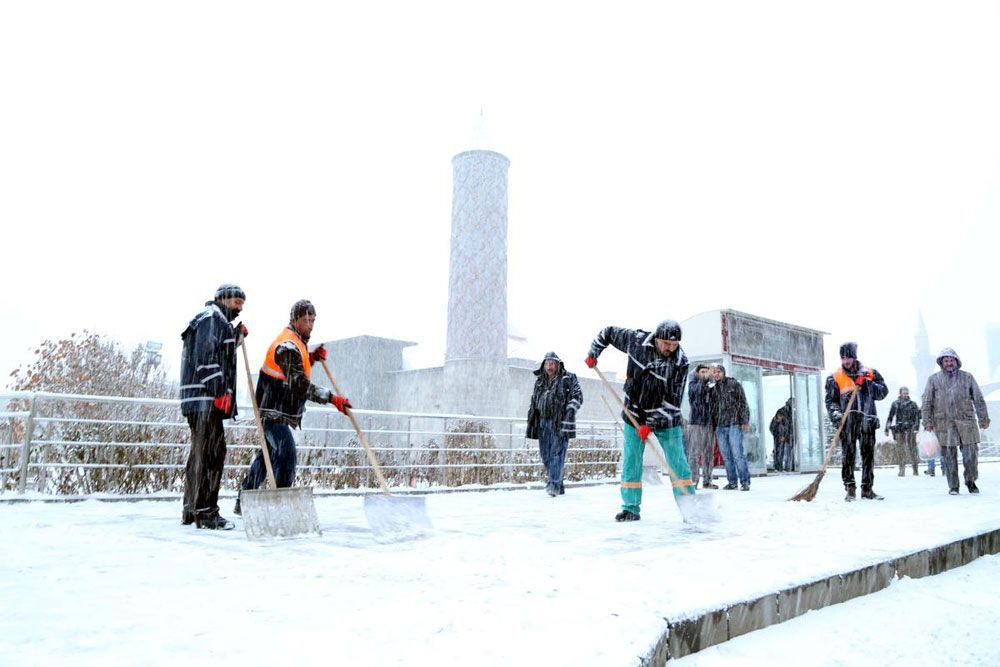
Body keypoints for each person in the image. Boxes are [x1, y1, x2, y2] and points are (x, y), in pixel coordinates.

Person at [235, 300, 351, 513]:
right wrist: (331, 398)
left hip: (276, 409)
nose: (310, 325)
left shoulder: (296, 341)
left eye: (313, 320)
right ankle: (279, 507)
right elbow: (298, 385)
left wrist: (312, 358)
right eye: (305, 320)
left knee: (267, 456)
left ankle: (243, 502)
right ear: (295, 320)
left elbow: (296, 367)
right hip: (272, 411)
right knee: (286, 454)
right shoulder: (287, 345)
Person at [585, 319, 696, 522]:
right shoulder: (635, 341)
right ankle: (630, 508)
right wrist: (594, 353)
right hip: (633, 412)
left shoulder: (680, 363)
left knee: (678, 463)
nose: (670, 348)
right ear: (656, 338)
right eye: (666, 343)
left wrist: (650, 424)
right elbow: (608, 332)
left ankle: (690, 508)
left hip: (666, 419)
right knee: (631, 461)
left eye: (674, 345)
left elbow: (672, 400)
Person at [179, 283, 248, 530]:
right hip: (204, 398)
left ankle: (191, 509)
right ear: (221, 298)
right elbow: (206, 357)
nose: (239, 308)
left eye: (242, 304)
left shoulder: (214, 321)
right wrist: (220, 390)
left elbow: (218, 350)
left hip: (196, 398)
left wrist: (236, 337)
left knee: (200, 453)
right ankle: (207, 514)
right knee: (212, 454)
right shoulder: (212, 320)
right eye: (236, 302)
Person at [920, 348, 990, 495]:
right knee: (949, 458)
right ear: (941, 363)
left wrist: (983, 417)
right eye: (946, 360)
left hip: (967, 422)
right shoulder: (933, 379)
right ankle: (953, 486)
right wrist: (927, 422)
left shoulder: (967, 377)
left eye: (951, 360)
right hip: (944, 423)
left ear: (956, 361)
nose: (949, 363)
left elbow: (978, 398)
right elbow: (926, 401)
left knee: (971, 456)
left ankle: (970, 481)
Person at [825, 342, 888, 502]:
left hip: (868, 419)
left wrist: (868, 384)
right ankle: (850, 488)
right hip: (848, 422)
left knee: (868, 456)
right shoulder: (835, 377)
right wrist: (837, 415)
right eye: (843, 358)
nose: (846, 361)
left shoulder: (870, 373)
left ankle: (867, 488)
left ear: (855, 357)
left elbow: (883, 392)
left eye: (849, 357)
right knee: (849, 456)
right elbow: (831, 401)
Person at [526, 352, 583, 496]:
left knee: (556, 454)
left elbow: (578, 396)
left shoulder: (568, 378)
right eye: (547, 363)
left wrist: (570, 410)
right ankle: (559, 483)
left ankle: (553, 485)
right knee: (546, 456)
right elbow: (534, 402)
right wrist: (532, 419)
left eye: (552, 363)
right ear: (543, 365)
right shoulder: (539, 381)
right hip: (542, 423)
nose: (549, 366)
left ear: (558, 364)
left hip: (560, 423)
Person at [708, 363, 752, 490]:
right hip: (720, 426)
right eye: (714, 372)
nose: (716, 374)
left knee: (738, 454)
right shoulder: (713, 389)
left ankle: (745, 482)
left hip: (734, 424)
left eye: (718, 372)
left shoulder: (733, 384)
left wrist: (744, 420)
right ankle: (732, 482)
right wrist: (713, 424)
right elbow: (712, 409)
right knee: (727, 456)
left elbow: (743, 402)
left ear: (723, 372)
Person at [687, 364, 717, 488]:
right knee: (694, 453)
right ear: (697, 373)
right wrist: (705, 379)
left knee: (709, 454)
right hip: (696, 423)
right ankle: (693, 480)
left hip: (709, 424)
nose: (705, 374)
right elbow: (698, 392)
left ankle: (707, 480)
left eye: (706, 371)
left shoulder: (710, 385)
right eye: (702, 372)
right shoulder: (693, 384)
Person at [885, 387, 921, 476]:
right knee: (900, 450)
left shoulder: (913, 404)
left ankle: (915, 469)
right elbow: (890, 416)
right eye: (904, 393)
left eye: (906, 393)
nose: (905, 394)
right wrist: (887, 428)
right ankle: (902, 470)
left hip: (910, 428)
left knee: (913, 449)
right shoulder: (895, 403)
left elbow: (917, 417)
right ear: (900, 393)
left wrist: (916, 428)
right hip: (899, 428)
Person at [769, 398, 794, 472]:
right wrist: (779, 435)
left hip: (789, 435)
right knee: (780, 451)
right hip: (780, 435)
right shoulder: (782, 411)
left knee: (788, 451)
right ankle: (779, 467)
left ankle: (787, 467)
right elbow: (776, 426)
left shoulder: (792, 412)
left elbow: (789, 426)